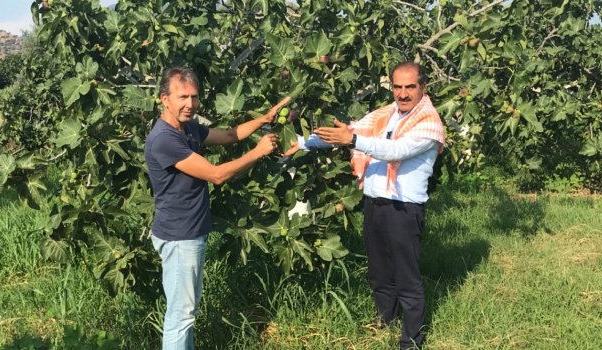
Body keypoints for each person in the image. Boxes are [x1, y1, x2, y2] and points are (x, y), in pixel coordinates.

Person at [286, 61, 445, 349]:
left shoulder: (429, 124)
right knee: (380, 272)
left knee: (406, 277)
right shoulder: (384, 116)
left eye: (410, 86)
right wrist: (303, 143)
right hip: (375, 204)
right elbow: (345, 134)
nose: (403, 93)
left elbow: (394, 150)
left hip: (404, 209)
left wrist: (354, 139)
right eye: (397, 86)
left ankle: (412, 340)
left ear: (423, 87)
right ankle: (386, 321)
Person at [144, 66, 290, 349]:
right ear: (165, 99)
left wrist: (263, 119)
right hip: (179, 236)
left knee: (186, 311)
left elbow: (229, 136)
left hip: (188, 233)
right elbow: (216, 174)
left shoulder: (187, 128)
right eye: (182, 97)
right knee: (181, 316)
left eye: (194, 97)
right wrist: (258, 152)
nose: (190, 104)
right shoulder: (164, 139)